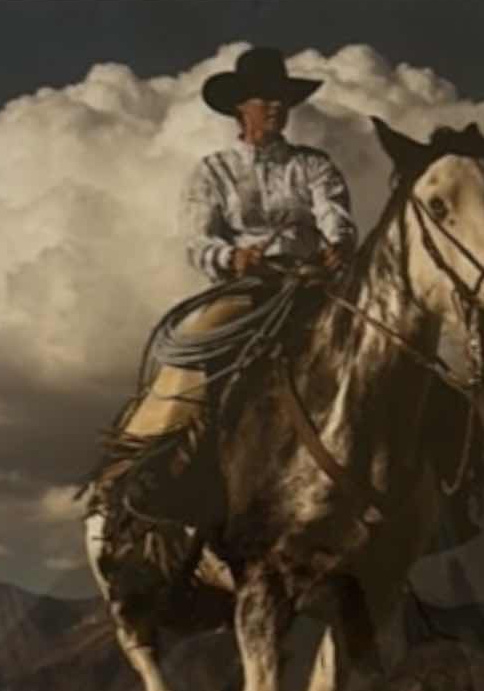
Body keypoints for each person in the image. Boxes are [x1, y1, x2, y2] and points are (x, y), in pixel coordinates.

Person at [113, 47, 357, 499]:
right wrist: (232, 257)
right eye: (265, 98)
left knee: (388, 335)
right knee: (193, 348)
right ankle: (153, 460)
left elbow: (333, 213)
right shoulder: (213, 171)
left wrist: (339, 245)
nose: (276, 106)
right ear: (240, 108)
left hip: (311, 282)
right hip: (247, 289)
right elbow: (197, 241)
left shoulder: (313, 165)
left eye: (281, 98)